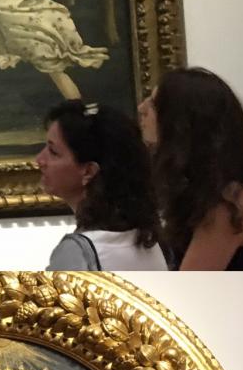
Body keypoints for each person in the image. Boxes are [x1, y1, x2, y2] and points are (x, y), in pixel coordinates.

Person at [139, 67, 243, 269]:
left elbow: (192, 284)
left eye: (153, 104)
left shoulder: (229, 201)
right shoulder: (203, 188)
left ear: (181, 122)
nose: (142, 108)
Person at [37, 99, 166, 270]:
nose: (39, 160)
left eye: (53, 152)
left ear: (89, 171)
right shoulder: (150, 240)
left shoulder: (79, 252)